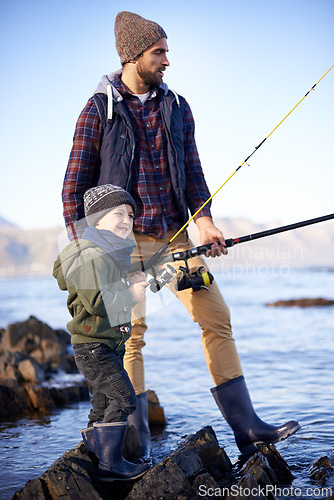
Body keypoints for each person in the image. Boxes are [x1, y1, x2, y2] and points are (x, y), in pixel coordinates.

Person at [62, 11, 300, 458]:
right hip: (119, 247)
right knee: (129, 337)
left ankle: (247, 430)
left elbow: (192, 170)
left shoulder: (177, 106)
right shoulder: (98, 110)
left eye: (167, 51)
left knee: (216, 317)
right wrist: (89, 253)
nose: (168, 60)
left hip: (177, 241)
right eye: (160, 52)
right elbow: (73, 189)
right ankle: (135, 444)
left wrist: (205, 219)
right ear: (134, 55)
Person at [53, 184, 150, 481]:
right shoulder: (89, 254)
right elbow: (97, 302)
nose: (126, 220)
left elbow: (106, 289)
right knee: (124, 399)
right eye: (117, 213)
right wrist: (132, 294)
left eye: (130, 215)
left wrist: (130, 280)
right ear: (96, 220)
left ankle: (97, 456)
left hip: (105, 345)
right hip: (94, 347)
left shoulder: (106, 254)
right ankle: (111, 465)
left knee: (103, 402)